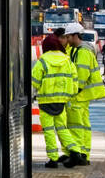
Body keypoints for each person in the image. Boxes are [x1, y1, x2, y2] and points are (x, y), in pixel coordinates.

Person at [31, 33, 81, 167]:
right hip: (61, 101)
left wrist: (31, 94)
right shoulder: (67, 60)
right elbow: (74, 78)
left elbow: (34, 81)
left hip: (46, 101)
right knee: (62, 128)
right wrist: (71, 94)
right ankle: (75, 150)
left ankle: (53, 159)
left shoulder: (43, 60)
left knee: (48, 130)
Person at [62, 22, 105, 163]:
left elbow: (81, 74)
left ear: (75, 36)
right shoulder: (76, 50)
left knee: (76, 125)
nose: (66, 40)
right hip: (81, 95)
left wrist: (73, 91)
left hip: (78, 95)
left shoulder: (83, 52)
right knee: (83, 125)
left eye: (68, 37)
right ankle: (82, 152)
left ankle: (78, 152)